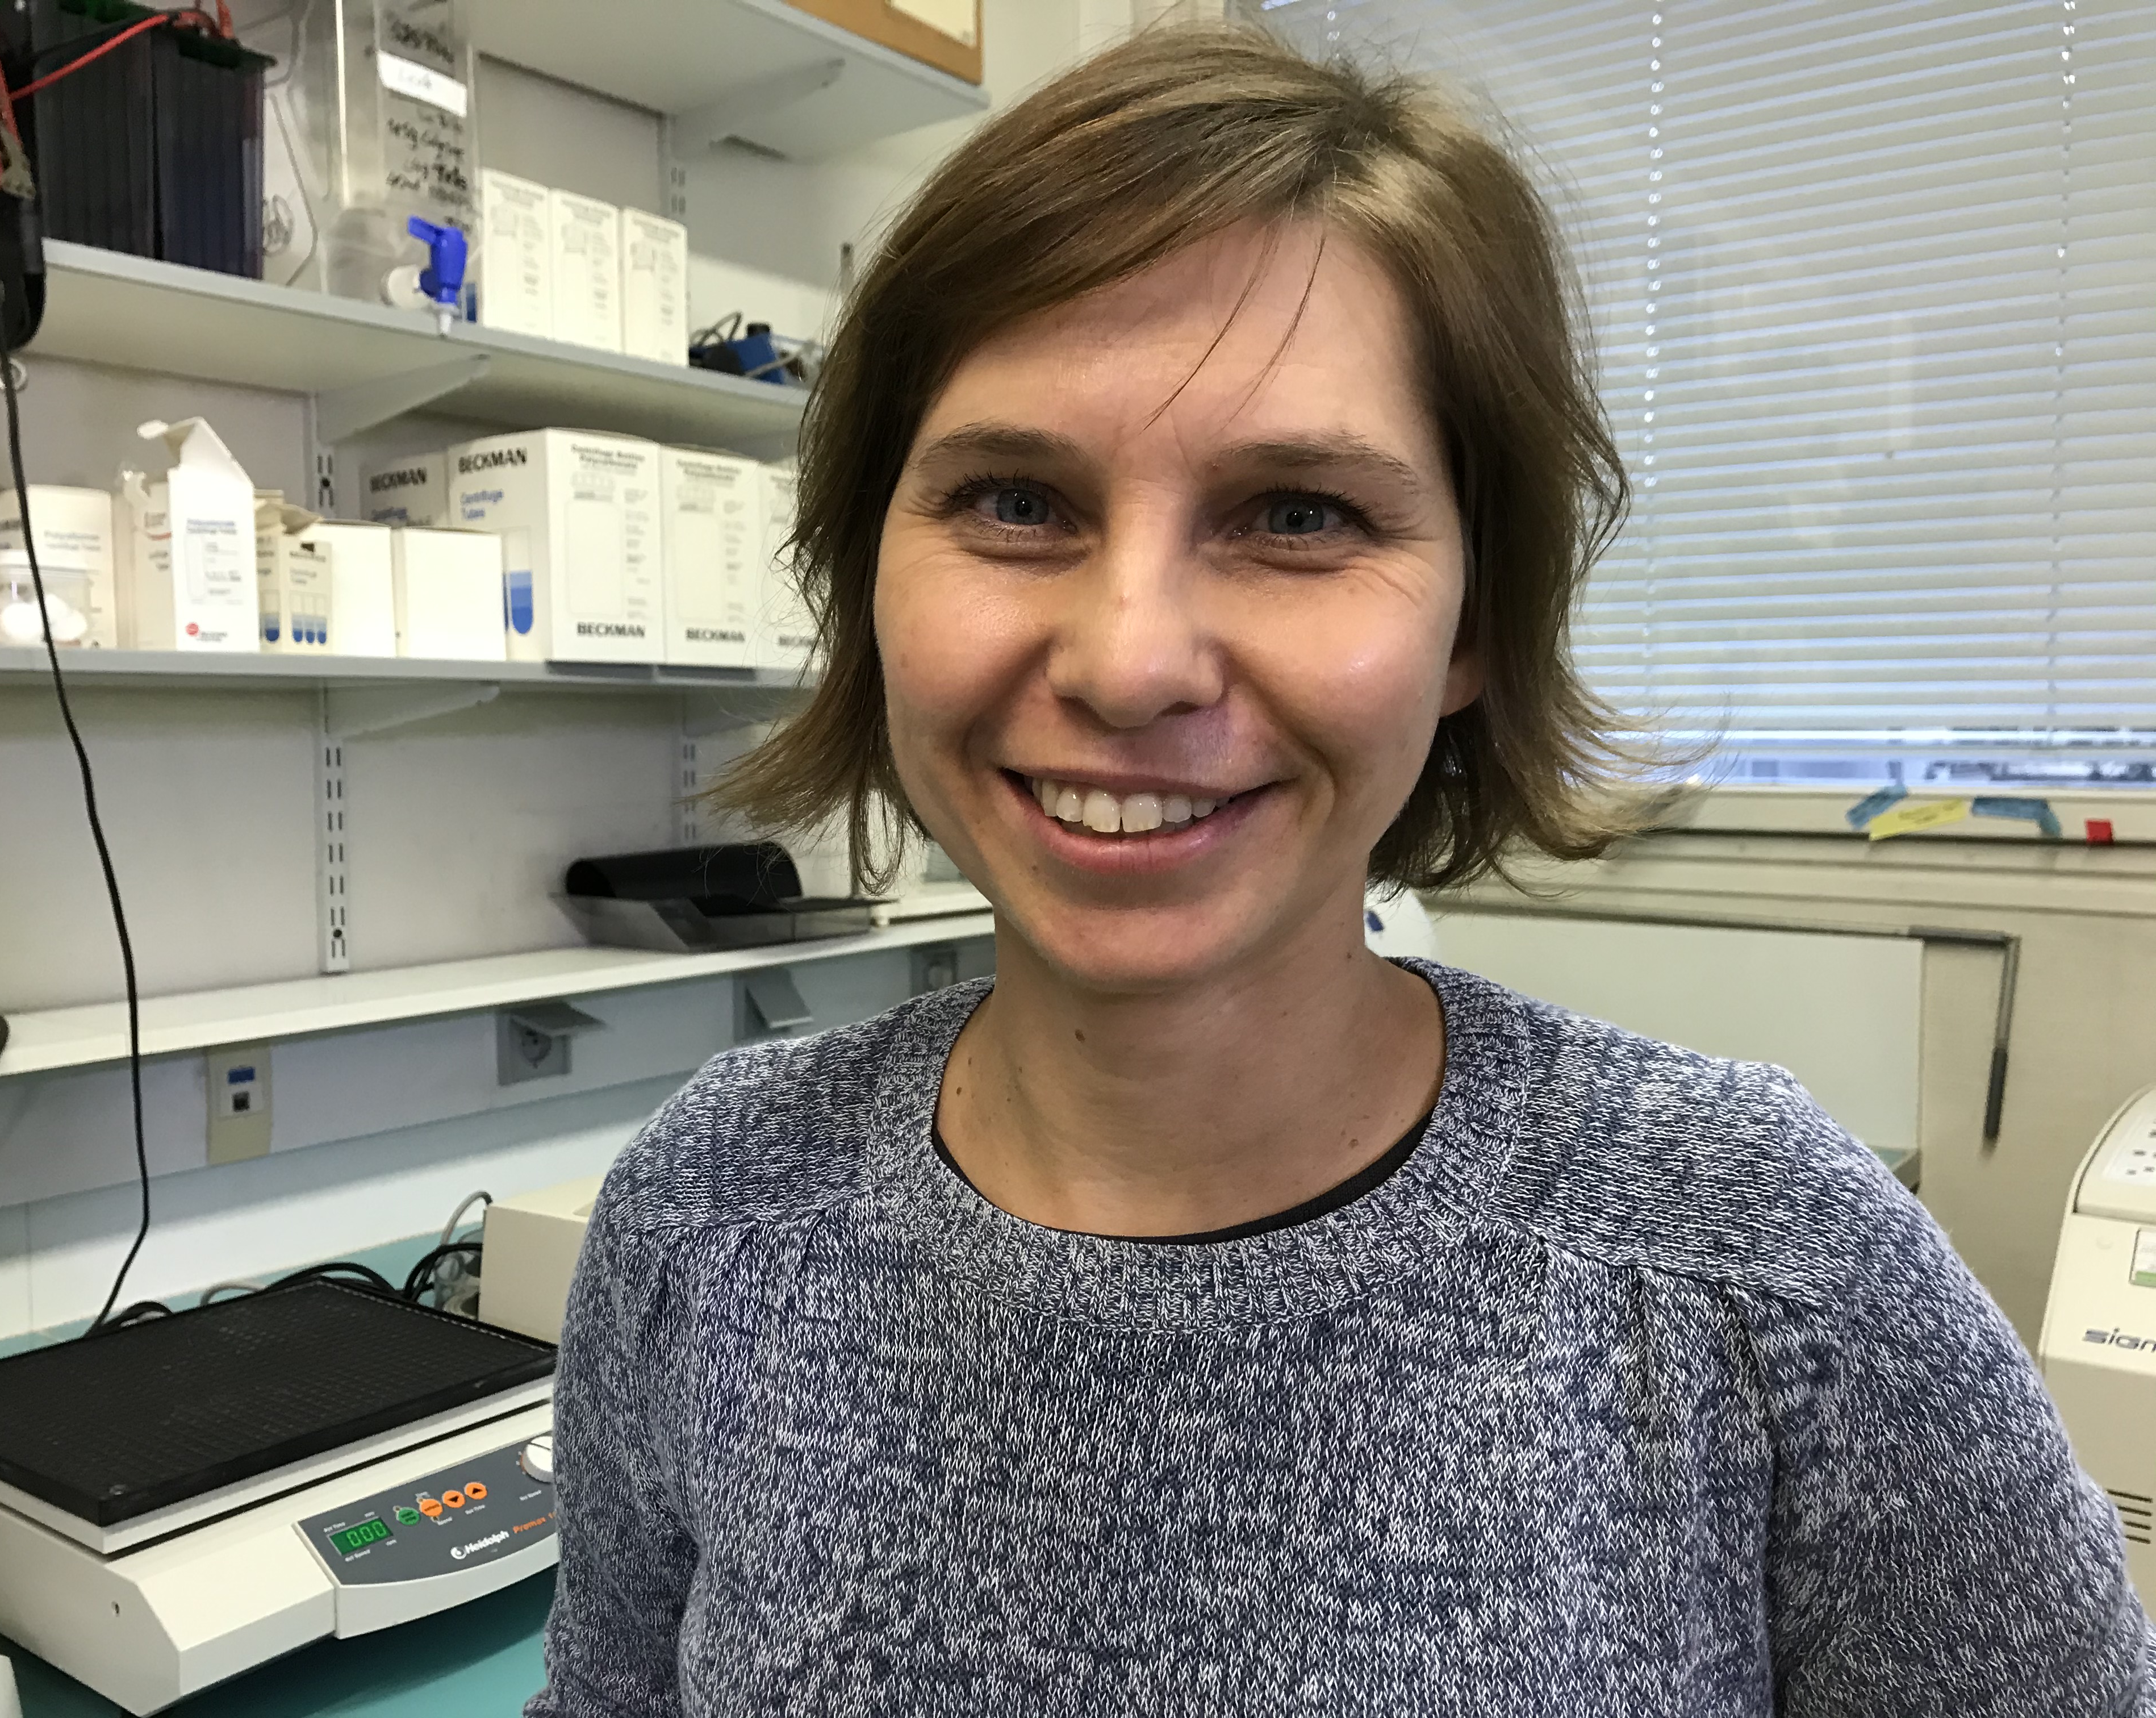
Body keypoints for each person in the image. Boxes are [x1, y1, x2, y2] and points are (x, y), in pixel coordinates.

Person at [527, 23, 2153, 1715]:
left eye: (1298, 515)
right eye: (1015, 500)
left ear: (1475, 623)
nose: (1130, 663)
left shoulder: (1765, 1266)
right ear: (868, 571)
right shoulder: (710, 1211)